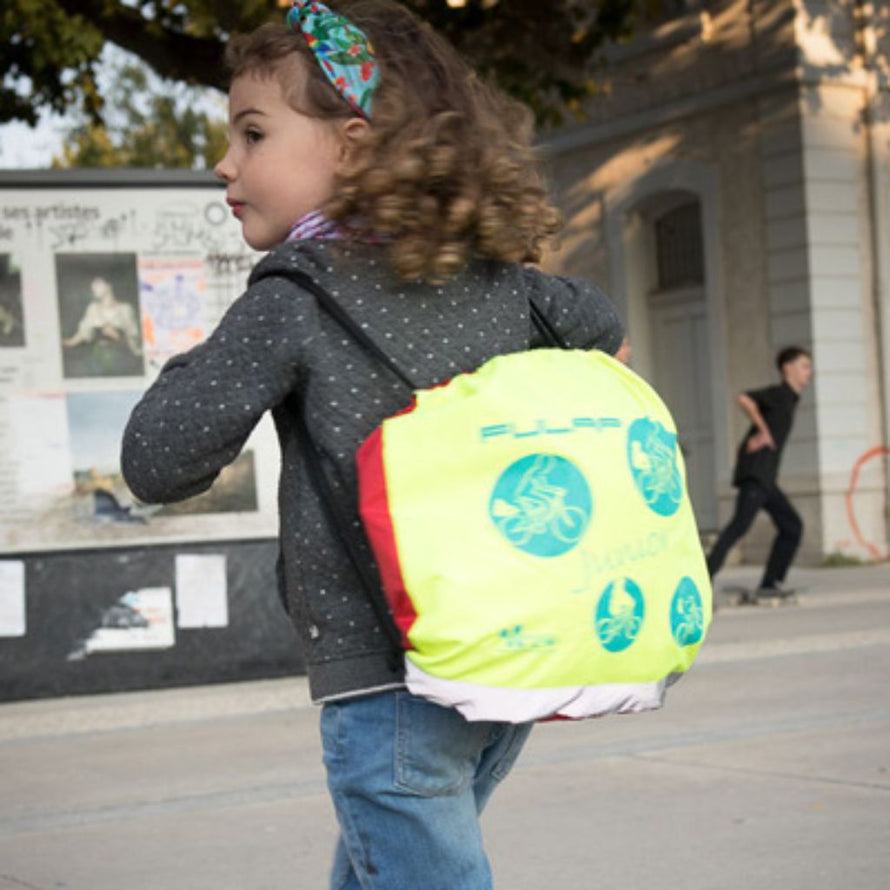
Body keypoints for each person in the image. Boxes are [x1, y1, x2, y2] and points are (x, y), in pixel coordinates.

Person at [121, 2, 624, 887]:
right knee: (388, 866)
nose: (225, 162)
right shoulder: (500, 283)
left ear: (352, 148)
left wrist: (208, 355)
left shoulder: (294, 298)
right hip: (507, 659)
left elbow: (157, 460)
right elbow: (602, 323)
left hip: (389, 681)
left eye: (252, 133)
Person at [706, 346, 813, 597]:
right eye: (804, 366)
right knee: (739, 526)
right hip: (756, 472)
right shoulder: (779, 394)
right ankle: (703, 577)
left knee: (791, 526)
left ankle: (769, 584)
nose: (809, 372)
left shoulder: (790, 399)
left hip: (766, 477)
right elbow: (743, 398)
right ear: (787, 368)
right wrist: (763, 431)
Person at [63, 275, 142, 376]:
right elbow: (82, 334)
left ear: (109, 285)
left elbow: (134, 340)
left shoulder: (125, 309)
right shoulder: (93, 309)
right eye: (93, 285)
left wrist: (117, 336)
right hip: (97, 361)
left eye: (98, 284)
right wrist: (65, 343)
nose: (94, 287)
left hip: (121, 361)